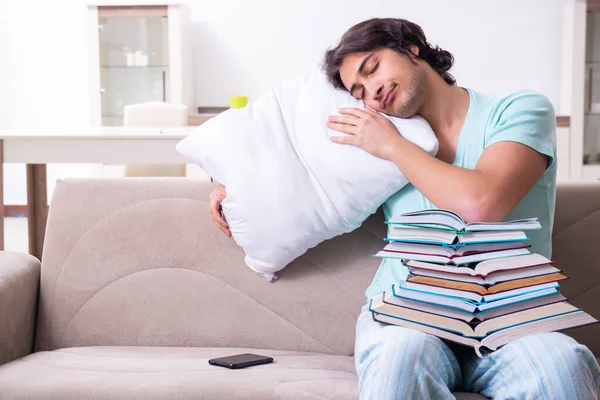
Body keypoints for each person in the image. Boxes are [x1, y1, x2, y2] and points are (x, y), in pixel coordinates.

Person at [209, 18, 600, 399]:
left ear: (411, 47)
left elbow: (483, 203)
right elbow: (281, 154)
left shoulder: (518, 110)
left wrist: (393, 147)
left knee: (561, 365)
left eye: (372, 68)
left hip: (510, 321)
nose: (371, 93)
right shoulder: (371, 144)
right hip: (406, 315)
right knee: (401, 357)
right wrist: (228, 185)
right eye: (358, 91)